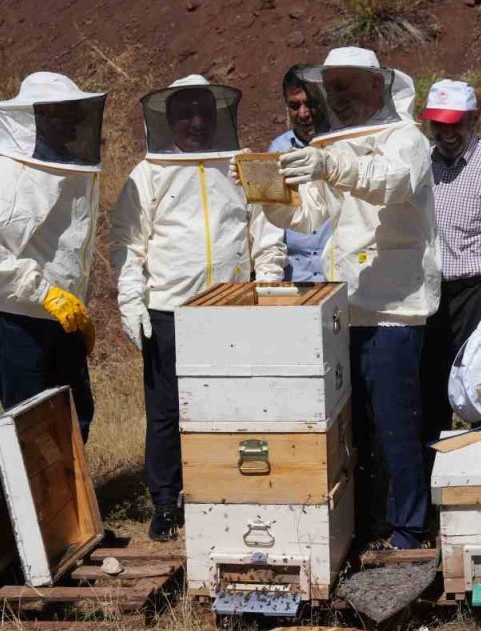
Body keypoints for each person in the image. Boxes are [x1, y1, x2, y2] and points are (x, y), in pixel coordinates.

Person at [256, 47, 440, 550]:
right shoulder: (336, 144)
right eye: (331, 87)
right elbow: (310, 217)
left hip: (394, 308)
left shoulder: (406, 139)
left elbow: (392, 184)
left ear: (377, 86)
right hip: (343, 307)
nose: (337, 96)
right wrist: (270, 197)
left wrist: (327, 163)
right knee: (350, 427)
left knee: (395, 425)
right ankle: (361, 524)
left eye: (347, 86)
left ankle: (409, 528)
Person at [111, 75, 286, 541]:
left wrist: (267, 286)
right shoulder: (146, 172)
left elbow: (268, 233)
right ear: (168, 119)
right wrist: (131, 300)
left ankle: (229, 487)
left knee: (235, 406)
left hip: (234, 306)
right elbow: (127, 243)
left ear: (219, 116)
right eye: (185, 113)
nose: (195, 121)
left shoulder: (248, 163)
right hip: (171, 310)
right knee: (167, 413)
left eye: (204, 112)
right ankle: (167, 502)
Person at [0, 71, 104, 442]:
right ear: (35, 119)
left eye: (73, 114)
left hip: (61, 315)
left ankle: (71, 502)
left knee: (75, 420)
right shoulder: (5, 172)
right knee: (31, 430)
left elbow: (67, 248)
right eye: (60, 115)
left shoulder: (69, 169)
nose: (71, 124)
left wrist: (72, 304)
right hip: (15, 320)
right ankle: (29, 503)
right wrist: (46, 294)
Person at [418, 78, 481, 444]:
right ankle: (437, 479)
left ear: (473, 119)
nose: (446, 133)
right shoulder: (424, 162)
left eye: (454, 123)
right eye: (438, 124)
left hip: (478, 290)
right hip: (430, 292)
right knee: (432, 385)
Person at [269, 64, 331, 282]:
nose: (303, 113)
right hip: (295, 280)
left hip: (339, 277)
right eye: (294, 106)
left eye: (310, 103)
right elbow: (270, 224)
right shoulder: (277, 150)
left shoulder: (341, 145)